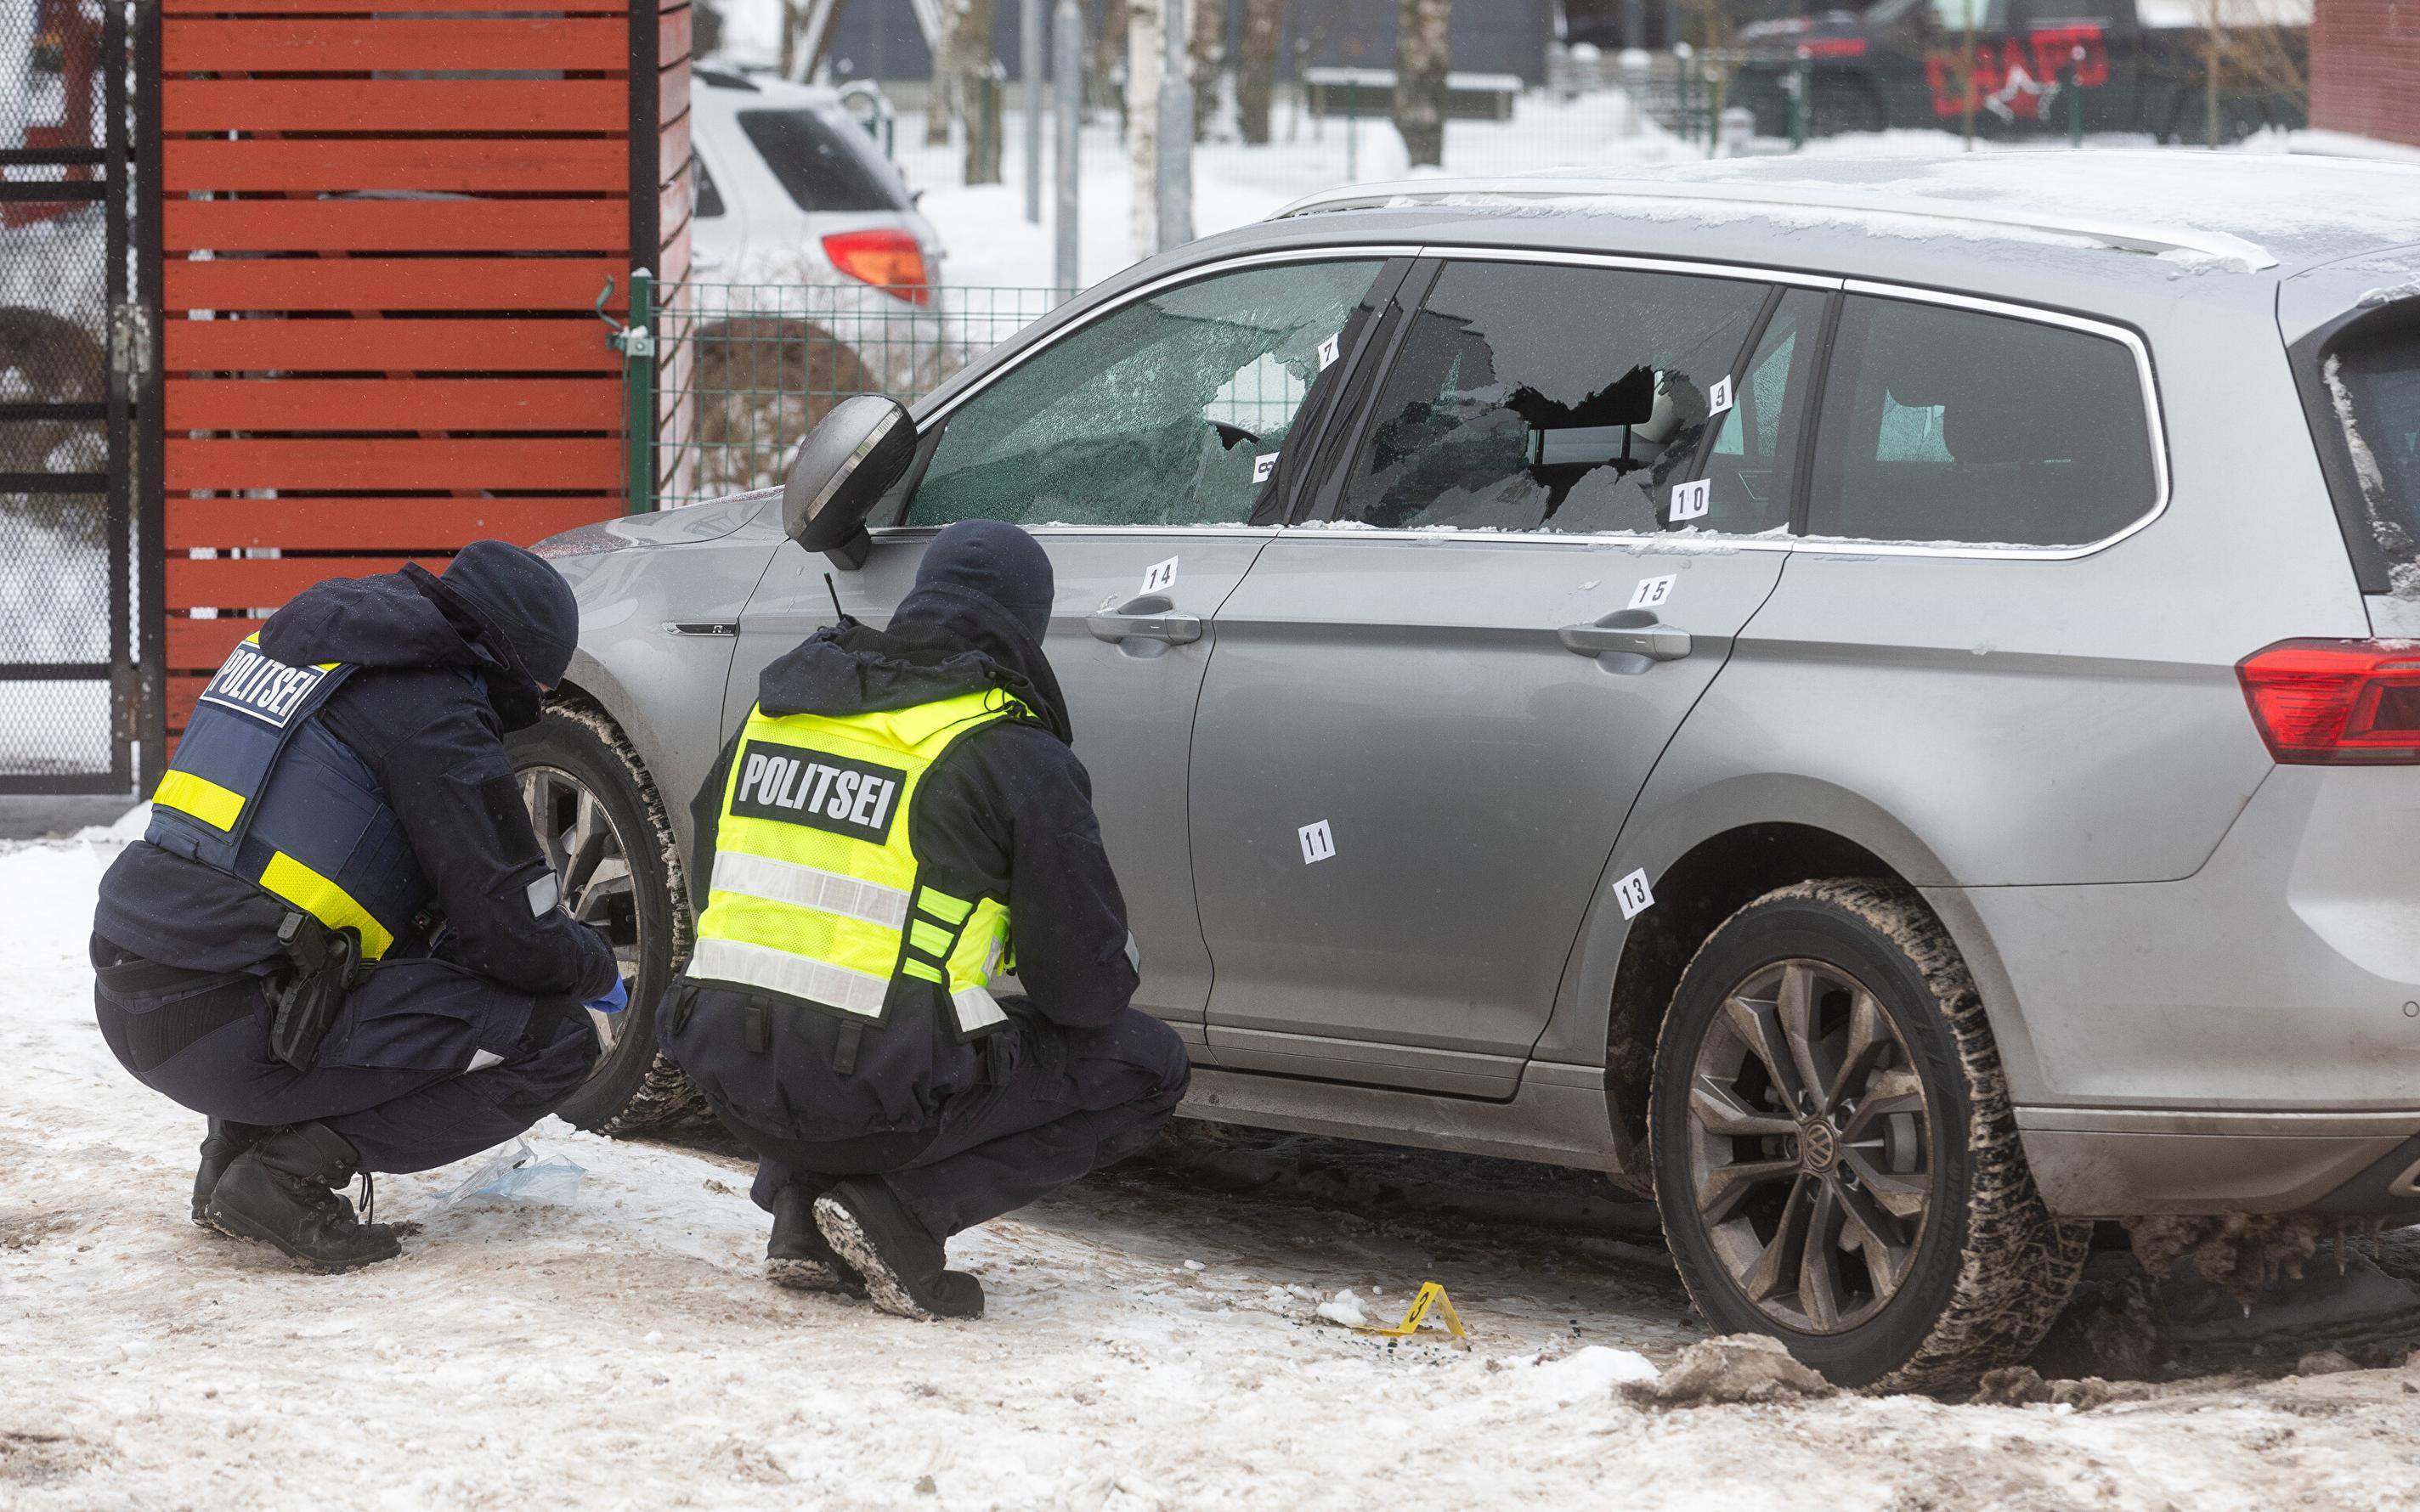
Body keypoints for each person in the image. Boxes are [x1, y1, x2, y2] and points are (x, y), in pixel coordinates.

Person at [664, 519, 1190, 1320]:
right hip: (873, 1091)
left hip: (730, 1071)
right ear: (1029, 625)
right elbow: (1083, 996)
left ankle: (803, 1210)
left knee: (859, 1012)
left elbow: (723, 894)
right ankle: (901, 1212)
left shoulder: (778, 715)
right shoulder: (1005, 748)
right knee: (1145, 1065)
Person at [91, 541, 625, 1272]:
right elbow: (513, 938)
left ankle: (234, 1157)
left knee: (334, 924)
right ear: (512, 668)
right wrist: (589, 962)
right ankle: (289, 1175)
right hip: (225, 1029)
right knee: (553, 1038)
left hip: (136, 997)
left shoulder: (307, 640)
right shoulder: (433, 709)